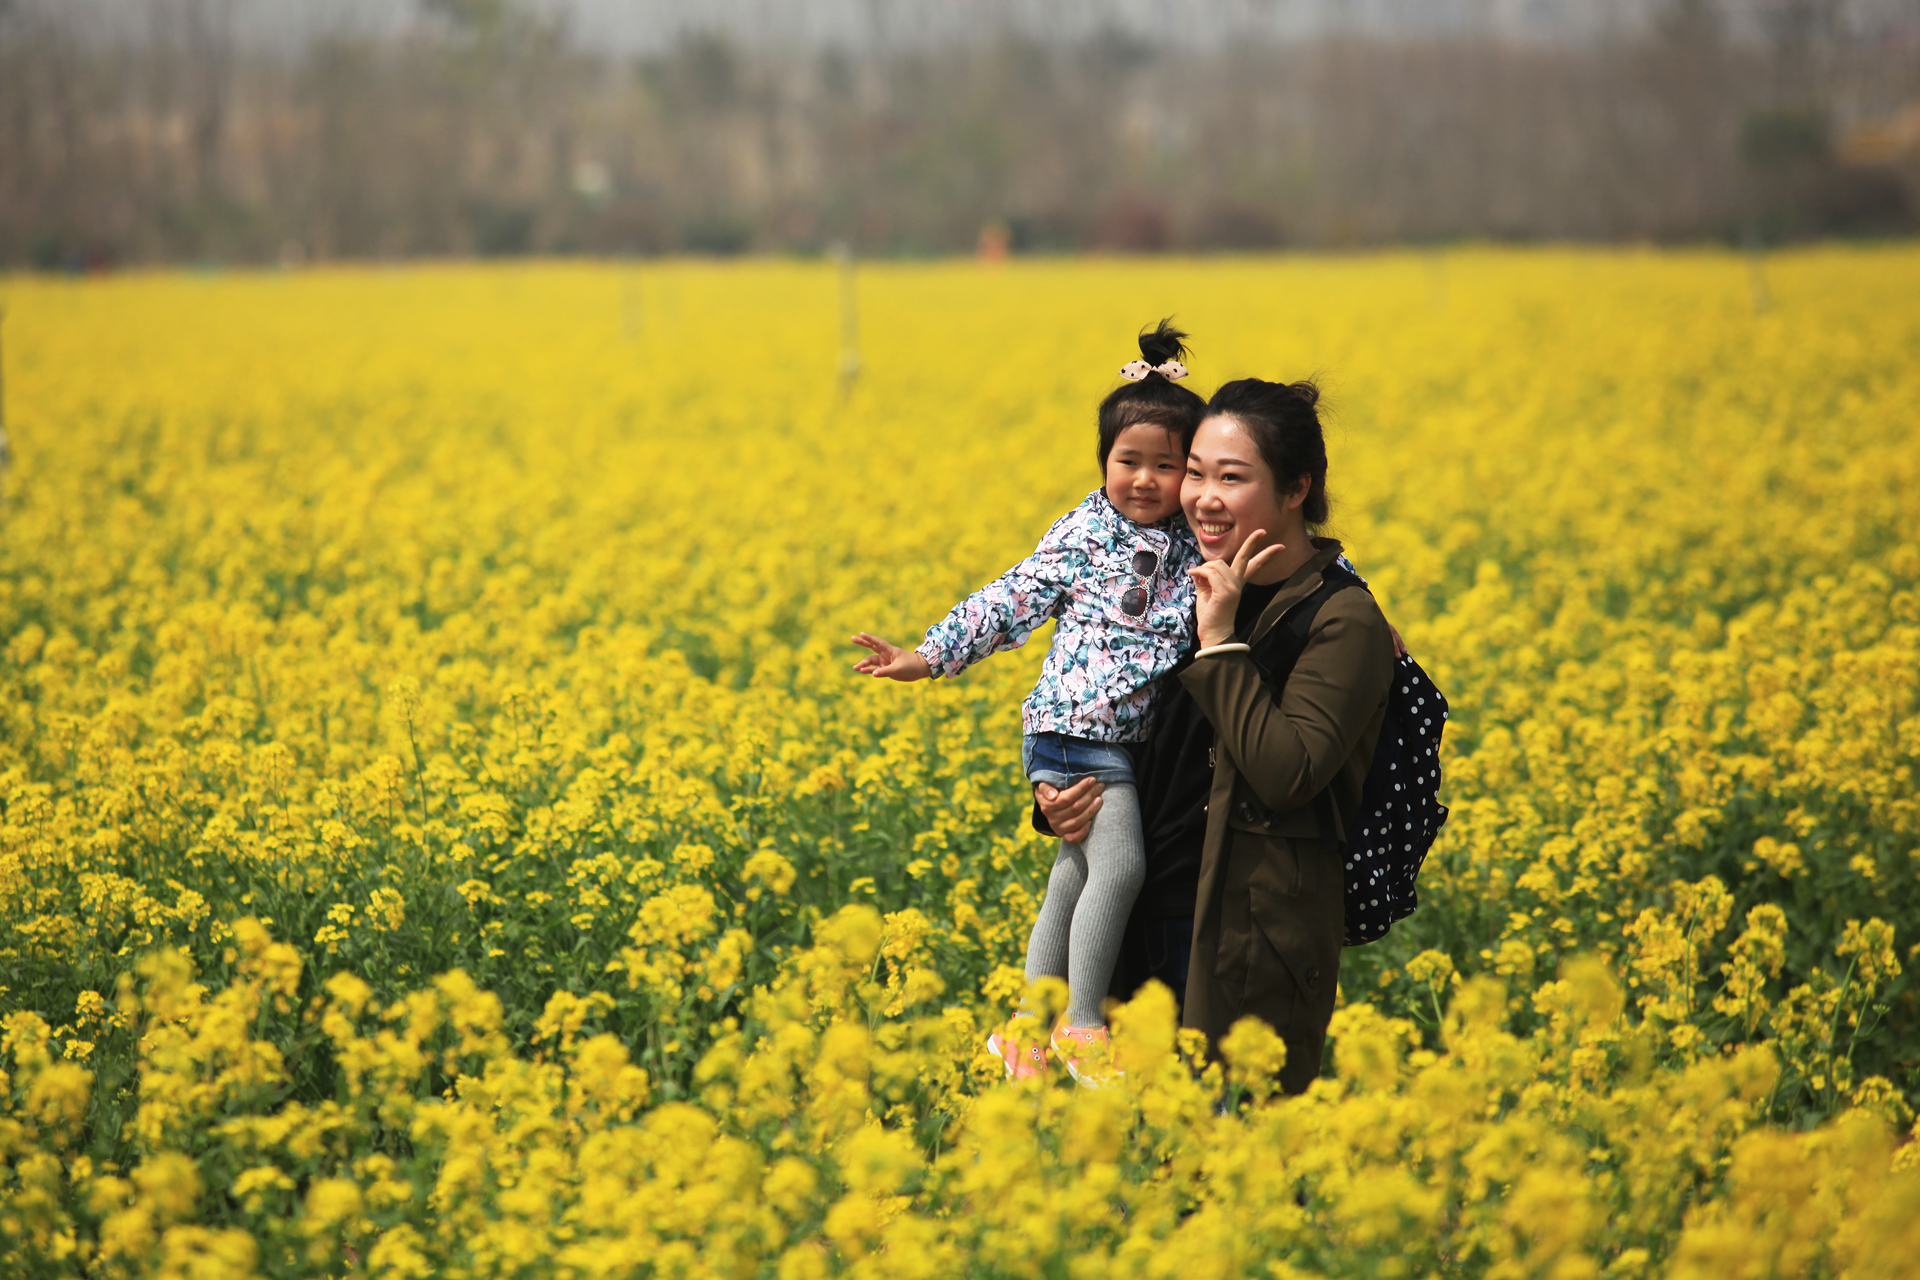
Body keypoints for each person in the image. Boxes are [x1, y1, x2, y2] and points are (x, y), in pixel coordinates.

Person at [851, 320, 1206, 1085]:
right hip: (1075, 733)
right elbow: (1012, 597)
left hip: (1112, 739)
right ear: (1102, 463)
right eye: (1127, 462)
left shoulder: (1192, 538)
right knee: (1121, 871)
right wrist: (929, 656)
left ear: (1191, 471)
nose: (1144, 480)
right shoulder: (1086, 530)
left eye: (1165, 466)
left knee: (1073, 877)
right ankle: (1081, 1028)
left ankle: (1024, 1030)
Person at [1037, 377, 1397, 1095]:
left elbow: (1286, 771)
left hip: (1239, 942)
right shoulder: (1184, 580)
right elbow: (1134, 729)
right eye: (1193, 471)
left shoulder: (1340, 620)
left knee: (1223, 1165)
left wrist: (1223, 640)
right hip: (1136, 918)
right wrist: (1061, 795)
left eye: (1231, 477)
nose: (1200, 495)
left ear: (1297, 489)